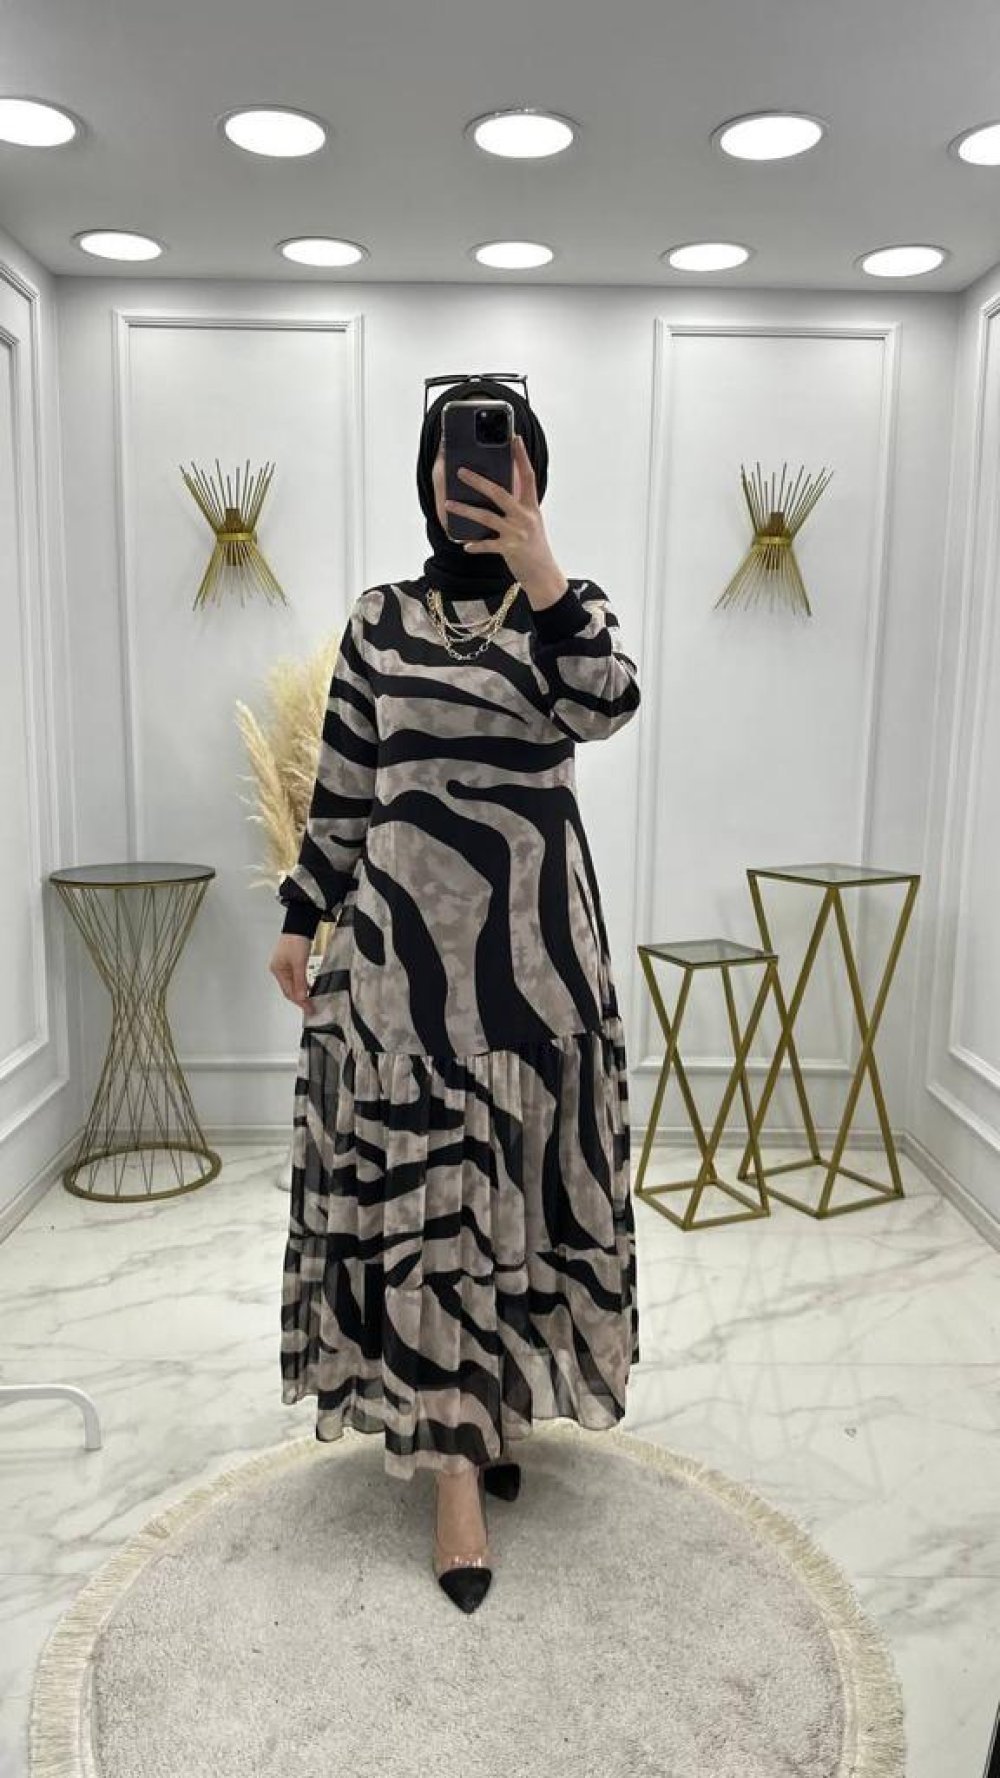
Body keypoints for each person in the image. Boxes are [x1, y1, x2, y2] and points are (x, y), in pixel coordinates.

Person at [268, 376, 641, 1612]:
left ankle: (497, 1402)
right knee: (430, 1214)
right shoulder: (381, 619)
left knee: (520, 1200)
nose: (468, 475)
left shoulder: (568, 612)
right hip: (404, 977)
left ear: (533, 474)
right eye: (450, 456)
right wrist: (300, 910)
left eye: (497, 454)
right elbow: (345, 783)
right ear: (425, 477)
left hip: (536, 973)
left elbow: (607, 703)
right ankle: (455, 1483)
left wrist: (542, 571)